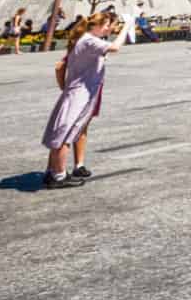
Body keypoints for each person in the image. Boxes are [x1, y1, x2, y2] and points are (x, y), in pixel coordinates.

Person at [40, 11, 128, 190]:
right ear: (96, 25)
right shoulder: (89, 40)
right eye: (106, 25)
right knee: (65, 133)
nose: (108, 29)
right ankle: (58, 175)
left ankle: (53, 171)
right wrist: (127, 26)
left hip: (78, 92)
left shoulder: (85, 39)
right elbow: (115, 47)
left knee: (63, 131)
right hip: (79, 94)